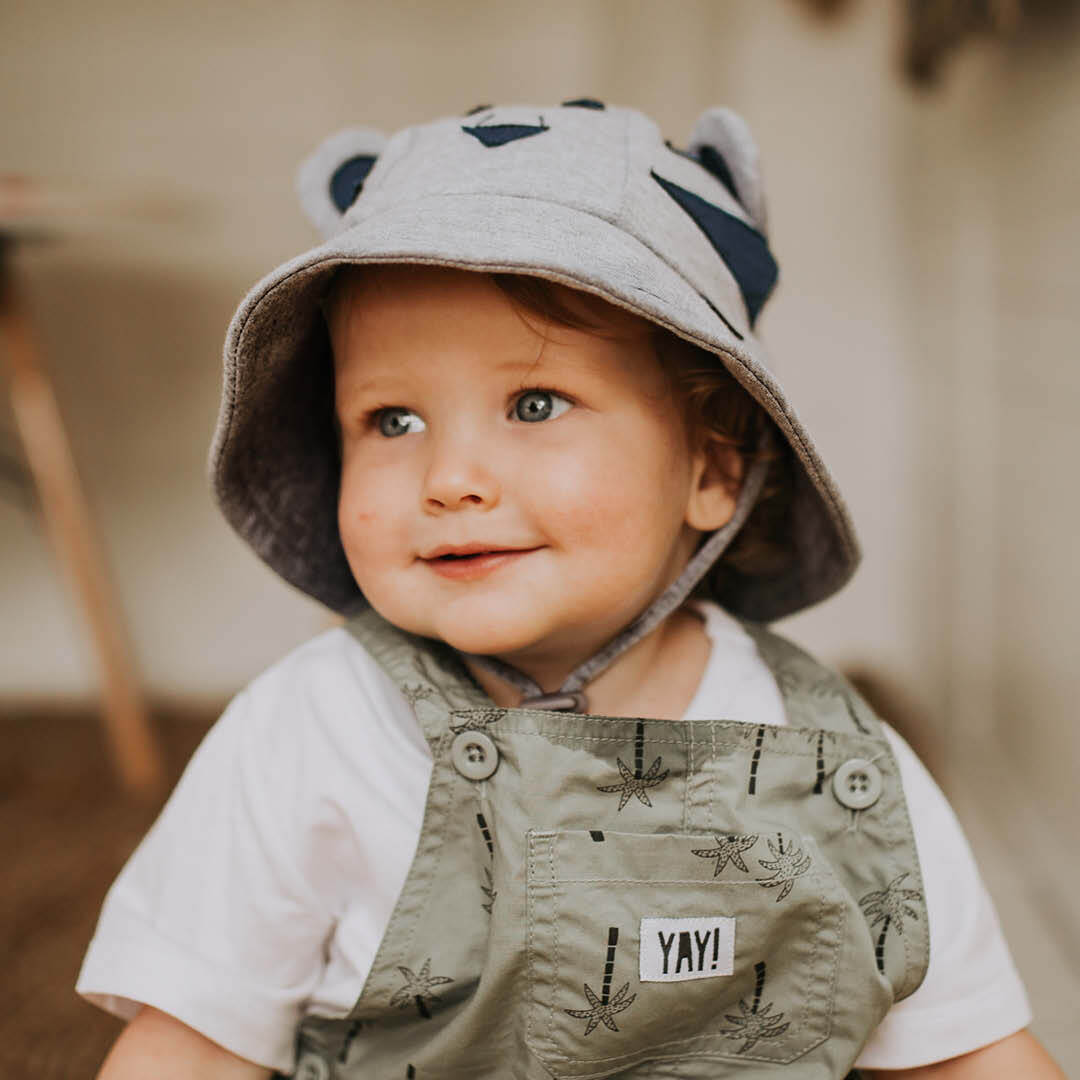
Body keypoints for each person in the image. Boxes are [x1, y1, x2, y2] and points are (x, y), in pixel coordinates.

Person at [77, 100, 1065, 1079]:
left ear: (712, 470)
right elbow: (190, 1045)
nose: (449, 479)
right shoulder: (312, 732)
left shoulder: (833, 764)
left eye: (535, 403)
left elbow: (969, 1056)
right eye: (392, 421)